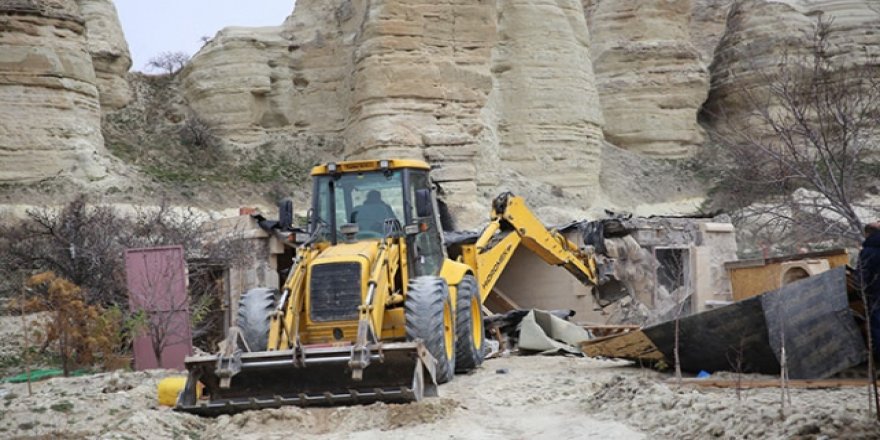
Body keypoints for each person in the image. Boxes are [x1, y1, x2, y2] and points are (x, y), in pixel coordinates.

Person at [858, 222, 880, 359]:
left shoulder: (868, 251)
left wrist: (862, 291)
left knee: (877, 326)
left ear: (867, 234)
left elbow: (862, 277)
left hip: (876, 295)